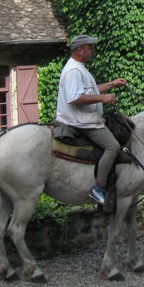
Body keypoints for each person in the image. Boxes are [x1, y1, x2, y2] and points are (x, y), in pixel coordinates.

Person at [56, 34, 126, 205]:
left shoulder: (78, 67)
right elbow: (75, 97)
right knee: (113, 147)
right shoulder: (73, 71)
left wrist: (111, 84)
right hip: (82, 122)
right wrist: (103, 99)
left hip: (84, 118)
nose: (92, 50)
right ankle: (98, 188)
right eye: (89, 47)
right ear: (80, 50)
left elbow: (89, 90)